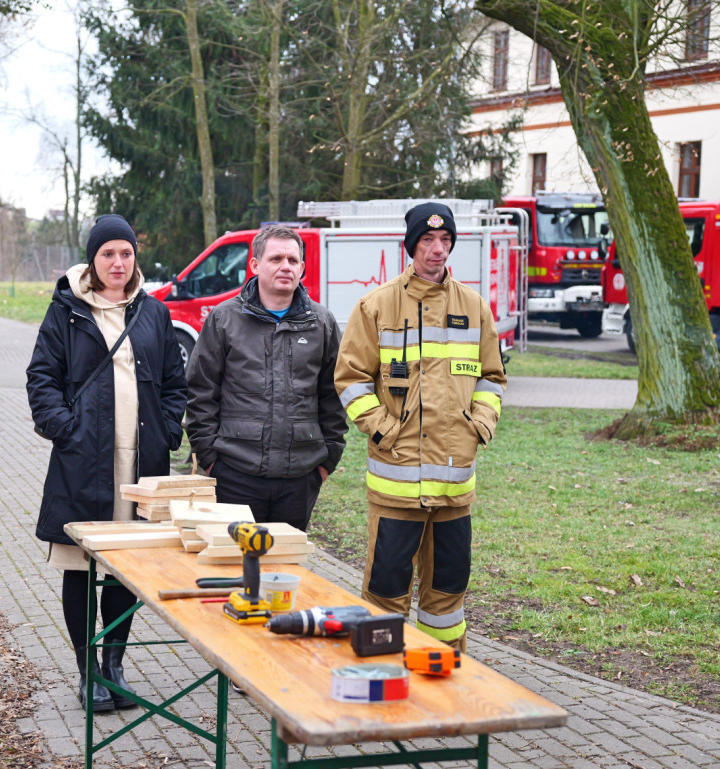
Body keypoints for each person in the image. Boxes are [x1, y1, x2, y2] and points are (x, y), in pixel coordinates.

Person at [26, 214, 187, 712]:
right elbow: (41, 380)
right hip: (83, 462)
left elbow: (176, 383)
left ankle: (114, 666)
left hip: (141, 463)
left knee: (126, 568)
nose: (118, 263)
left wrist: (166, 429)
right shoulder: (67, 312)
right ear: (93, 260)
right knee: (80, 565)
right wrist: (66, 430)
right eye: (108, 254)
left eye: (126, 253)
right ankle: (86, 670)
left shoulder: (153, 314)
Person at [334, 202, 506, 652]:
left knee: (448, 595)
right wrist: (384, 430)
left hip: (454, 485)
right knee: (385, 593)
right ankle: (381, 679)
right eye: (427, 240)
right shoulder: (376, 306)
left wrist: (480, 425)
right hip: (397, 484)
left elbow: (492, 377)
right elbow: (350, 379)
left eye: (445, 240)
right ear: (411, 246)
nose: (437, 249)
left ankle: (443, 680)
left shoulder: (474, 307)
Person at [186, 224, 347, 531]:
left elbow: (333, 395)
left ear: (301, 267)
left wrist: (326, 462)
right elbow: (201, 392)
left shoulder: (321, 323)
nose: (285, 266)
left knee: (285, 572)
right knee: (234, 570)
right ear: (255, 265)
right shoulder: (224, 319)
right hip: (235, 475)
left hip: (300, 479)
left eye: (292, 260)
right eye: (276, 259)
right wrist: (210, 458)